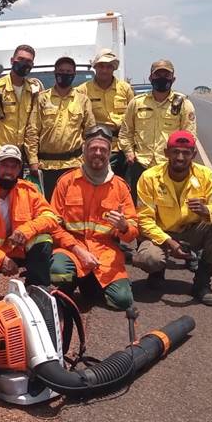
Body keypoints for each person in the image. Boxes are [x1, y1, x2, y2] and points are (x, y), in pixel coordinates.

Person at [133, 130, 212, 306]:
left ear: (194, 154)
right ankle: (156, 272)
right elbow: (144, 220)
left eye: (186, 153)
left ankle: (201, 283)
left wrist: (207, 211)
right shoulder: (149, 177)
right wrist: (169, 243)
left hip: (190, 234)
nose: (180, 157)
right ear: (166, 153)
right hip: (161, 234)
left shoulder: (205, 175)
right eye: (175, 151)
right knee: (150, 259)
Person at [49, 126, 139, 311]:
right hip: (71, 248)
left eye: (103, 150)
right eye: (93, 149)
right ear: (84, 151)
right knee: (58, 272)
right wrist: (77, 250)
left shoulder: (120, 187)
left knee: (123, 301)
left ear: (109, 153)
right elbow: (52, 224)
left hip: (105, 251)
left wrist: (123, 227)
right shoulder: (67, 182)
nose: (98, 153)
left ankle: (89, 282)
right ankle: (70, 286)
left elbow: (132, 232)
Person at [0, 144, 60, 287]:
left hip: (20, 249)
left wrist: (27, 230)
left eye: (14, 167)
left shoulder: (28, 190)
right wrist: (1, 259)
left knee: (43, 239)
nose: (9, 171)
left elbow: (51, 217)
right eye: (5, 165)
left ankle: (37, 289)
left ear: (19, 169)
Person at [119, 59, 196, 204]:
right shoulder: (137, 103)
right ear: (150, 78)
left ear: (173, 79)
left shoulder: (184, 105)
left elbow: (189, 137)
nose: (162, 79)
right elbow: (126, 132)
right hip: (141, 164)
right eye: (158, 75)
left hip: (170, 166)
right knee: (139, 206)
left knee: (168, 205)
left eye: (166, 76)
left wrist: (182, 159)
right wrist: (129, 152)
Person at [26, 56, 95, 198]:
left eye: (69, 71)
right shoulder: (42, 99)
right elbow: (32, 131)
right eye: (61, 71)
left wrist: (88, 162)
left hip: (74, 165)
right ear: (55, 72)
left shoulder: (82, 100)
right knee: (48, 208)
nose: (65, 74)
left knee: (72, 206)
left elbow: (90, 133)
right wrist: (33, 161)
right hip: (45, 167)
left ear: (74, 75)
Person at [0, 44, 42, 175]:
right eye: (20, 59)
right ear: (11, 60)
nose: (24, 63)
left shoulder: (32, 91)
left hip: (18, 156)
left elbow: (32, 127)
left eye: (28, 61)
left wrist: (32, 159)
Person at [76, 49, 135, 177]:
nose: (104, 70)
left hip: (122, 148)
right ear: (95, 67)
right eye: (101, 66)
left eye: (109, 67)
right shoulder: (82, 90)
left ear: (114, 68)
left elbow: (133, 119)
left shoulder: (125, 89)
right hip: (97, 148)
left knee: (123, 187)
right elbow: (78, 122)